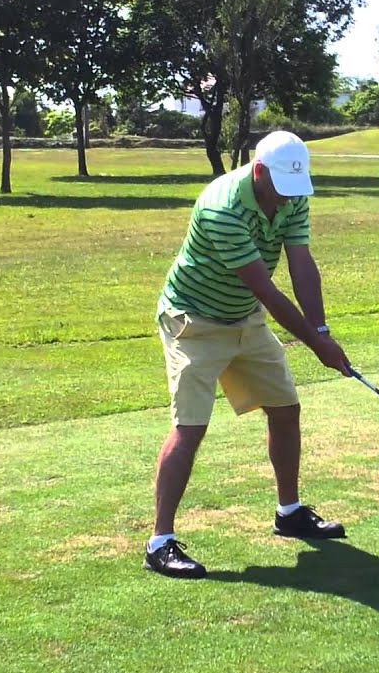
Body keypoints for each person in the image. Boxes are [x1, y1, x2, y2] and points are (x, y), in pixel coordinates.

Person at [146, 131, 352, 579]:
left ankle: (289, 513)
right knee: (190, 428)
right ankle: (159, 542)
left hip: (245, 317)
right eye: (281, 188)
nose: (288, 198)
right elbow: (267, 290)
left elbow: (301, 262)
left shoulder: (292, 193)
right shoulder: (222, 207)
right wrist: (317, 346)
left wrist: (322, 330)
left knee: (285, 409)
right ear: (259, 171)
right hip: (194, 321)